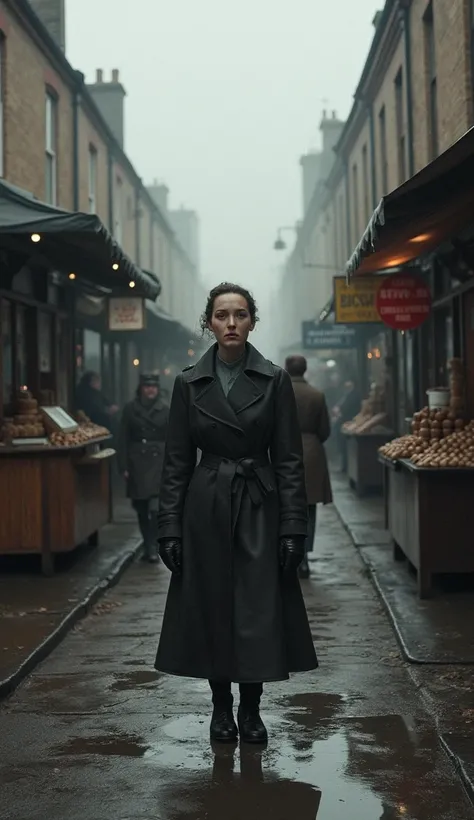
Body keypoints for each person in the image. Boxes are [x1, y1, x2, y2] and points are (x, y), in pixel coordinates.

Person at [155, 283, 317, 746]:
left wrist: (293, 527)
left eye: (240, 315)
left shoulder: (275, 380)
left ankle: (251, 709)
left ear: (252, 321)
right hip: (205, 505)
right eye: (222, 315)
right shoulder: (188, 382)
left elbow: (289, 460)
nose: (231, 323)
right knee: (212, 607)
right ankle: (220, 708)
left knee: (256, 610)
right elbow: (176, 462)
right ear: (208, 322)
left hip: (258, 505)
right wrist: (169, 528)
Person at [285, 355, 332, 578]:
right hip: (312, 454)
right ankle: (304, 558)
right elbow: (325, 430)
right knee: (309, 509)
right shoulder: (317, 395)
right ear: (305, 370)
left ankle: (290, 555)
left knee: (287, 507)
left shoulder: (278, 393)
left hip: (283, 454)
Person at [118, 373, 169, 563]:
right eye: (147, 386)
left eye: (153, 387)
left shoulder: (165, 410)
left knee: (155, 508)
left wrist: (173, 465)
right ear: (141, 388)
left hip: (158, 461)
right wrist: (123, 465)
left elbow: (174, 439)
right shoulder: (130, 409)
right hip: (136, 461)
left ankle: (152, 547)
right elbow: (123, 438)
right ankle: (147, 542)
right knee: (140, 508)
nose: (150, 390)